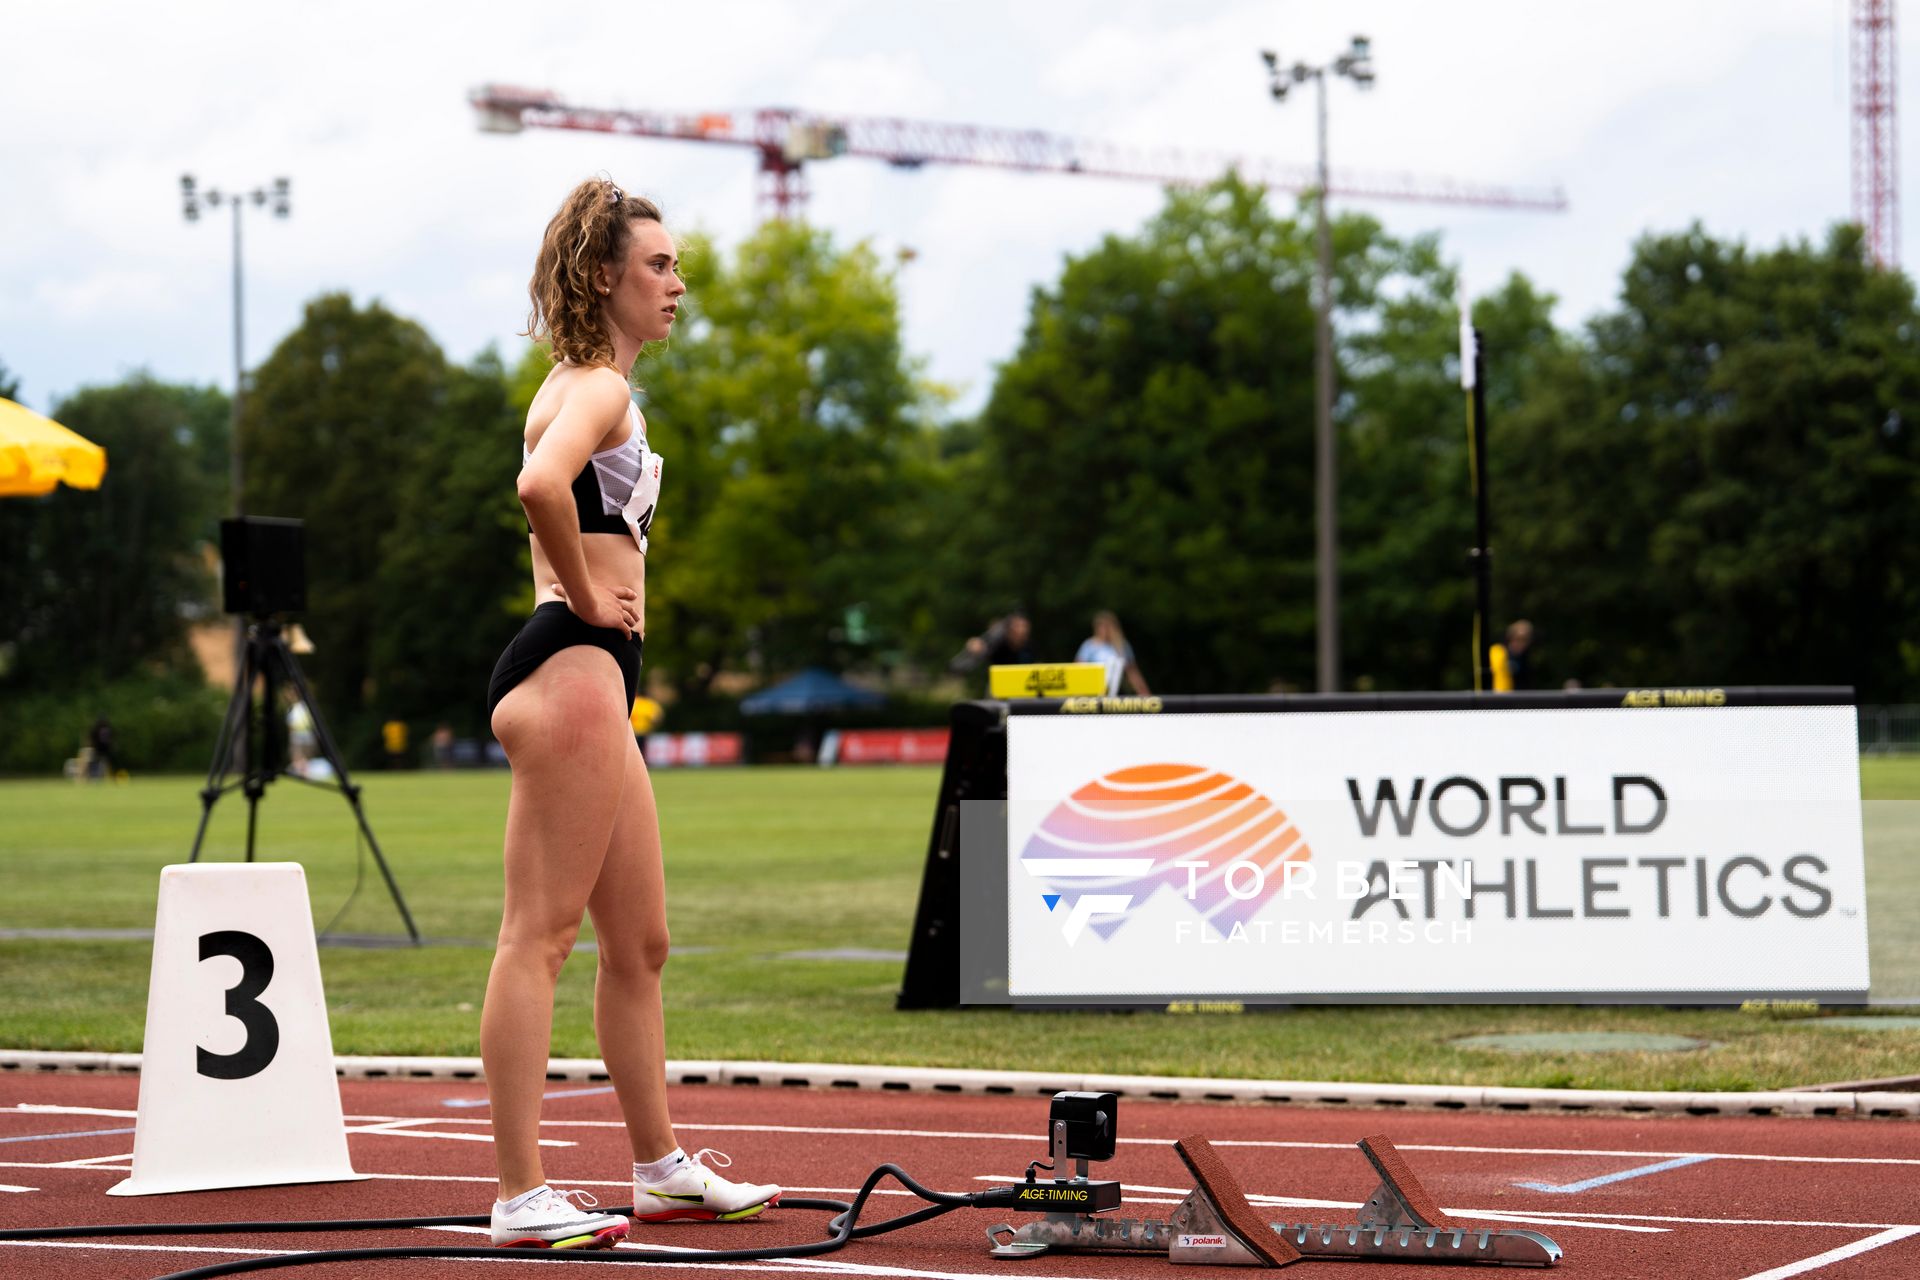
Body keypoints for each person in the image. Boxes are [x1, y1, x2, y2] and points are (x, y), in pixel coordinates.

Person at [480, 177, 779, 1251]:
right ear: (605, 275)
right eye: (659, 265)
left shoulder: (589, 383)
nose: (677, 284)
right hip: (571, 667)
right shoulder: (597, 386)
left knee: (640, 942)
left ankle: (660, 1169)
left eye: (677, 265)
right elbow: (539, 486)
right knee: (540, 936)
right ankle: (520, 1194)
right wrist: (585, 595)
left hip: (597, 677)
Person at [1074, 611, 1150, 696]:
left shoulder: (1122, 646)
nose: (1105, 630)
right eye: (1102, 626)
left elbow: (1132, 673)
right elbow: (1078, 670)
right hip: (1092, 692)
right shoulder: (1089, 645)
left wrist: (1144, 693)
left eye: (1108, 626)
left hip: (1115, 691)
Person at [1490, 619, 1533, 692]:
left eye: (1526, 640)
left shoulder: (1525, 658)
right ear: (1510, 637)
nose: (1522, 643)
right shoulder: (1497, 652)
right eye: (1519, 638)